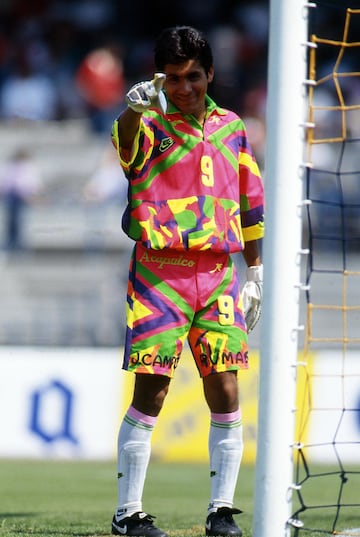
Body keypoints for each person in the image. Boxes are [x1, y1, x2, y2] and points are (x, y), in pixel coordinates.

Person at [110, 26, 265, 537]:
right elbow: (128, 152)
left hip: (219, 274)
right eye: (173, 78)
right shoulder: (149, 122)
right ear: (161, 78)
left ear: (210, 74)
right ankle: (127, 514)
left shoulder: (233, 127)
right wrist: (133, 110)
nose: (184, 87)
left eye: (193, 76)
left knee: (225, 387)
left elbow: (250, 202)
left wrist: (256, 270)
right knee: (151, 390)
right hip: (159, 273)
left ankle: (221, 512)